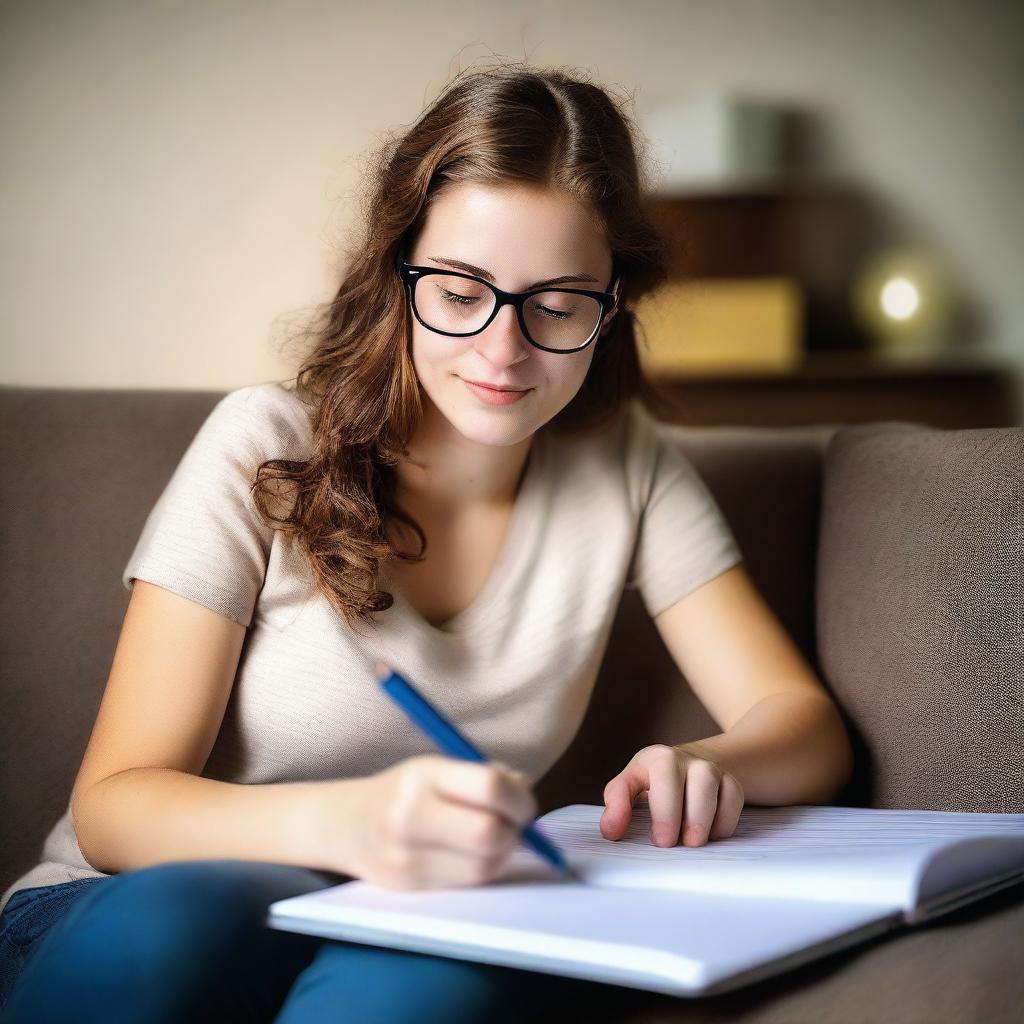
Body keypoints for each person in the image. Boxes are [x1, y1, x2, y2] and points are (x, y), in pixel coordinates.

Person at [0, 62, 854, 1022]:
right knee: (181, 929)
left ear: (612, 306)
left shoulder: (626, 468)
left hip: (408, 922)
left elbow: (802, 723)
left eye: (558, 303)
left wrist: (715, 764)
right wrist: (355, 824)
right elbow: (114, 806)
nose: (503, 349)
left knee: (425, 995)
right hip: (134, 900)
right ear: (398, 273)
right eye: (459, 291)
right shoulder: (264, 443)